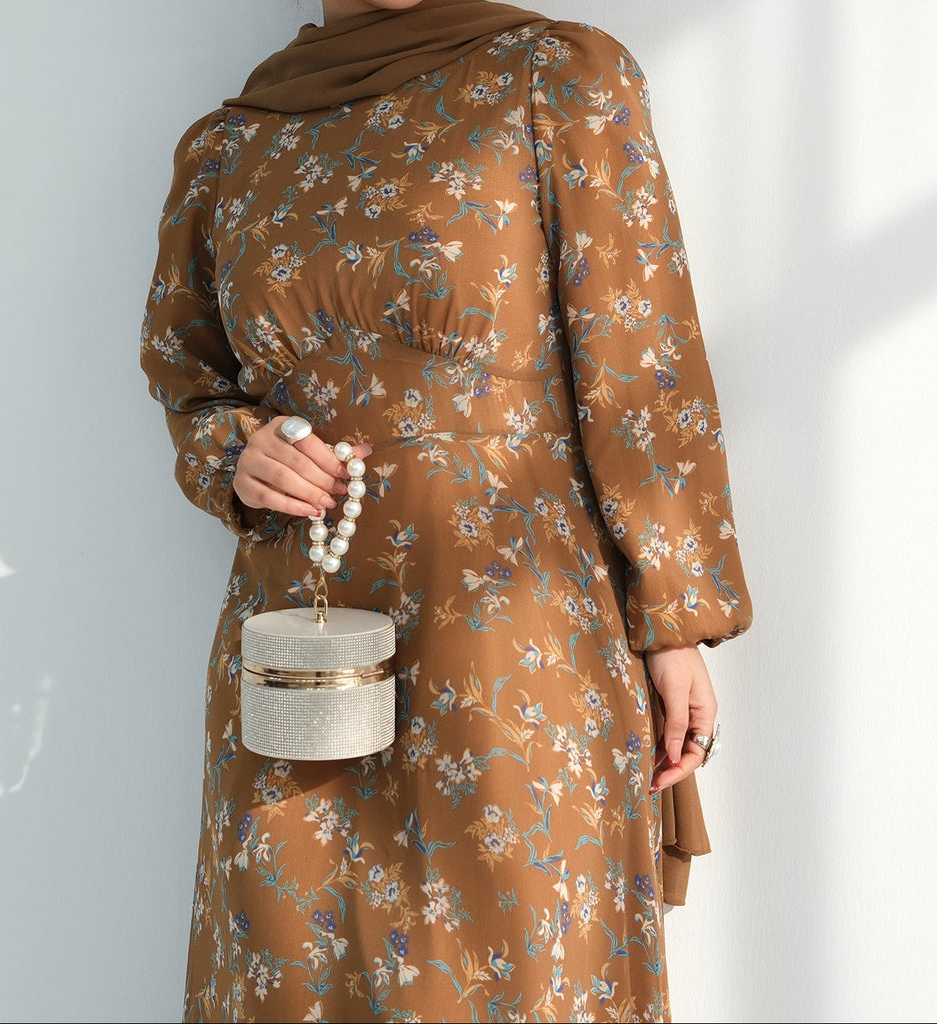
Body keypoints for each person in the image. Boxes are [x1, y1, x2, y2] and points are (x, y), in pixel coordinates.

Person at [140, 1, 753, 1020]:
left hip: (510, 627)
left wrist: (672, 620)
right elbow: (188, 380)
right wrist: (235, 457)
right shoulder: (234, 143)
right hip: (304, 635)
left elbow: (639, 359)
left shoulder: (556, 76)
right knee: (294, 964)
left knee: (507, 961)